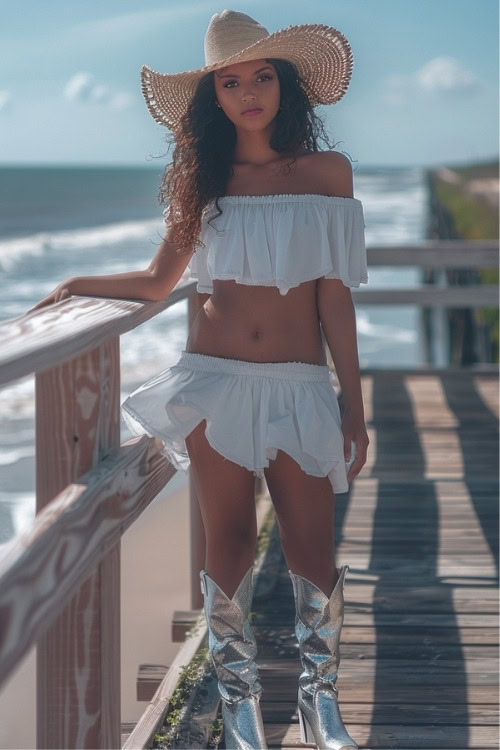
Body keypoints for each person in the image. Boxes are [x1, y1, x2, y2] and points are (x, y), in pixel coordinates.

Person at [28, 10, 369, 749]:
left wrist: (355, 405)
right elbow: (159, 282)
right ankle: (240, 704)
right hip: (215, 381)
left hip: (301, 384)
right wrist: (79, 283)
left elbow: (335, 295)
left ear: (287, 85)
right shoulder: (203, 180)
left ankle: (320, 702)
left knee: (313, 550)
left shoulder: (327, 175)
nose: (248, 92)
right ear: (214, 96)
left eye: (262, 76)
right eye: (231, 81)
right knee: (232, 541)